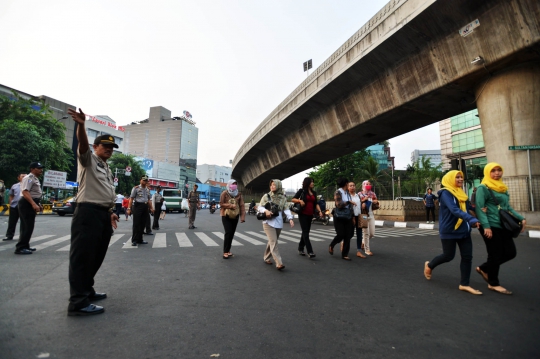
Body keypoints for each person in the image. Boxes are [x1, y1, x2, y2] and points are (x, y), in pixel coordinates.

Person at [66, 108, 119, 316]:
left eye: (111, 147)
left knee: (96, 255)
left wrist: (110, 211)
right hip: (87, 213)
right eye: (105, 146)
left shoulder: (106, 167)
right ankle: (77, 302)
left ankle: (87, 289)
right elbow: (82, 146)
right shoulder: (87, 160)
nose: (109, 149)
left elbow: (105, 192)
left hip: (102, 215)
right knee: (82, 257)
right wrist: (81, 125)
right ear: (95, 147)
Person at [423, 170, 482, 295]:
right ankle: (430, 265)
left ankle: (464, 284)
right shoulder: (446, 193)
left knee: (467, 257)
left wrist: (479, 209)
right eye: (457, 177)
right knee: (448, 256)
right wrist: (471, 219)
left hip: (464, 230)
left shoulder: (461, 193)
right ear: (450, 179)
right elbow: (454, 210)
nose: (461, 179)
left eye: (461, 177)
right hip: (450, 230)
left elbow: (467, 207)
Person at [475, 162, 526, 295]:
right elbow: (480, 208)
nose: (497, 173)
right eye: (493, 171)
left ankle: (484, 268)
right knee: (495, 253)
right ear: (487, 172)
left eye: (499, 170)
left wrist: (521, 218)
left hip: (503, 225)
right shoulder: (483, 187)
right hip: (490, 225)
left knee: (510, 252)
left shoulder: (502, 188)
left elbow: (507, 207)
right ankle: (493, 283)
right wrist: (486, 226)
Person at [258, 179, 294, 270]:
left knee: (271, 242)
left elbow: (286, 209)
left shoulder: (283, 198)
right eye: (271, 185)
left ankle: (266, 257)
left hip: (278, 223)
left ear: (278, 186)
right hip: (268, 222)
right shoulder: (266, 196)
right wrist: (266, 211)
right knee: (274, 242)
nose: (272, 186)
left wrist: (290, 219)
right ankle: (279, 263)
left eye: (274, 185)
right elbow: (260, 207)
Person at [15, 162, 44, 255]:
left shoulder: (34, 178)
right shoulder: (29, 178)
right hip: (26, 203)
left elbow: (33, 193)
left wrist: (37, 203)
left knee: (29, 226)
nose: (41, 170)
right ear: (32, 169)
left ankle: (25, 245)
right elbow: (25, 192)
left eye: (41, 168)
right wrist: (33, 204)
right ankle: (20, 247)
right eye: (38, 168)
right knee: (26, 226)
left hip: (31, 203)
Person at [291, 177, 322, 258]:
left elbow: (316, 204)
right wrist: (300, 201)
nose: (313, 183)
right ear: (307, 183)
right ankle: (310, 251)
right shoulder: (302, 191)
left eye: (313, 182)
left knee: (306, 232)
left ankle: (300, 248)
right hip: (303, 214)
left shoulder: (314, 193)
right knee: (305, 232)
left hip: (310, 214)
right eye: (311, 182)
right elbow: (293, 199)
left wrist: (320, 211)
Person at [329, 177, 355, 261]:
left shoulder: (347, 193)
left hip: (348, 216)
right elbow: (338, 205)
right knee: (340, 234)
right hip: (339, 216)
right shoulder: (338, 192)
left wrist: (353, 216)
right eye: (348, 183)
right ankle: (332, 245)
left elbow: (350, 207)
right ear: (346, 184)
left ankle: (345, 254)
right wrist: (348, 202)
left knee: (348, 236)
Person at [220, 180, 246, 259]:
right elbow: (221, 204)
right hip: (225, 215)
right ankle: (225, 251)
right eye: (233, 184)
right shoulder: (224, 193)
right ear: (229, 185)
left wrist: (242, 217)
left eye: (235, 184)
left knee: (232, 233)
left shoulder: (239, 194)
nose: (234, 185)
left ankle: (228, 250)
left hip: (235, 216)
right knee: (228, 232)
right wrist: (231, 206)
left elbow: (242, 206)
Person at [128, 176, 154, 246]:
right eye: (144, 180)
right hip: (138, 206)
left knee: (143, 224)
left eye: (146, 181)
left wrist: (151, 208)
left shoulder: (147, 190)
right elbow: (131, 199)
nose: (145, 182)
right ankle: (134, 240)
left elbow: (148, 200)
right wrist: (129, 208)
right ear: (140, 180)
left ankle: (140, 239)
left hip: (145, 207)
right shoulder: (136, 188)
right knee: (136, 224)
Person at [3, 173, 25, 241]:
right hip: (14, 206)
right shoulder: (14, 186)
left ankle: (23, 237)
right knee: (12, 222)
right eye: (22, 176)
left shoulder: (29, 186)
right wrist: (11, 204)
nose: (24, 178)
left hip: (24, 206)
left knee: (24, 222)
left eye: (25, 176)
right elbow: (11, 195)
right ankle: (9, 235)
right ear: (18, 178)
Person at [358, 180, 378, 256]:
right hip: (362, 215)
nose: (368, 185)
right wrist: (363, 201)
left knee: (372, 233)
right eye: (366, 184)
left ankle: (363, 242)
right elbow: (356, 204)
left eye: (369, 184)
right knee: (366, 233)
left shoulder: (372, 194)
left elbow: (376, 200)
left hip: (371, 215)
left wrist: (375, 201)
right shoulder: (359, 194)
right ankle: (367, 250)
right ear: (363, 185)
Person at [347, 182, 366, 258]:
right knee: (350, 234)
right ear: (347, 187)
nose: (352, 187)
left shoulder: (358, 195)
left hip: (359, 216)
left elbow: (359, 205)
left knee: (359, 234)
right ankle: (344, 244)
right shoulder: (347, 196)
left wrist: (362, 204)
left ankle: (359, 251)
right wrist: (352, 217)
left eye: (353, 185)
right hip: (351, 217)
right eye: (350, 186)